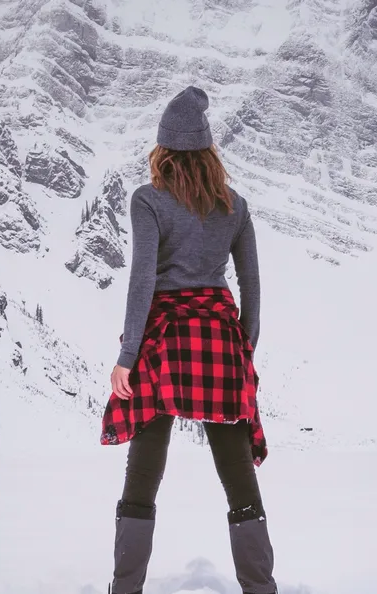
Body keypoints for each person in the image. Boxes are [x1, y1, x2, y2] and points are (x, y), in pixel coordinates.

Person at [101, 86, 275, 594]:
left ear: (163, 151)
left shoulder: (149, 200)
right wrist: (244, 345)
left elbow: (142, 281)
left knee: (143, 473)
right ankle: (262, 590)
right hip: (219, 339)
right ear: (206, 151)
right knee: (239, 479)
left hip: (165, 342)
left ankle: (125, 589)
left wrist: (127, 355)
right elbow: (253, 285)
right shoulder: (235, 206)